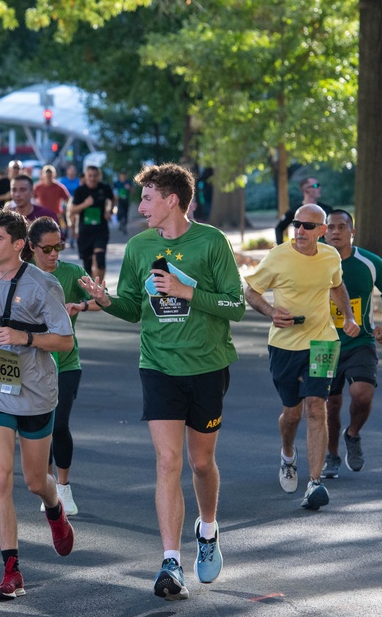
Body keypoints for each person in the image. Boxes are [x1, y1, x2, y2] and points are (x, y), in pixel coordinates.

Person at [77, 163, 245, 600]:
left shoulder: (211, 242)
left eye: (148, 198)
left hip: (207, 366)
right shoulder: (138, 246)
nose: (141, 206)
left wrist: (186, 291)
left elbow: (236, 305)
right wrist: (105, 300)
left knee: (200, 464)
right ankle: (171, 562)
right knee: (168, 462)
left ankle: (207, 529)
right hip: (158, 365)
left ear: (172, 200)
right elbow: (134, 307)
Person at [0, 210, 76, 601]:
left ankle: (54, 506)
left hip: (36, 390)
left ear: (18, 244)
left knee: (32, 480)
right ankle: (12, 570)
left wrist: (24, 337)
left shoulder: (44, 285)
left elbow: (64, 341)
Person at [244, 203, 359, 512]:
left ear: (322, 231)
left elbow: (337, 286)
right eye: (296, 224)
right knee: (292, 414)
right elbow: (251, 291)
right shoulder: (278, 256)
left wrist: (348, 316)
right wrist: (270, 312)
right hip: (284, 345)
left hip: (322, 342)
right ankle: (287, 454)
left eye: (308, 226)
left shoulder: (330, 257)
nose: (300, 231)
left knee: (316, 407)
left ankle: (314, 483)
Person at [28, 217, 97, 516]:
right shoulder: (22, 274)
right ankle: (47, 487)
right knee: (39, 428)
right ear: (31, 247)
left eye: (59, 246)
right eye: (47, 248)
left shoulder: (71, 273)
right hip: (31, 365)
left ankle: (64, 488)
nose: (54, 253)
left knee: (60, 424)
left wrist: (80, 305)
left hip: (67, 362)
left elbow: (99, 299)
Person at [322, 210, 382, 478]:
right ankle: (331, 454)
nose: (335, 232)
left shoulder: (368, 261)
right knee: (329, 404)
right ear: (324, 231)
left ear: (351, 232)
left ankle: (352, 434)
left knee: (362, 395)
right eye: (330, 227)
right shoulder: (314, 260)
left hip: (360, 340)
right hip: (323, 343)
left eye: (341, 227)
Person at [68, 165, 114, 281]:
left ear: (98, 176)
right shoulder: (80, 191)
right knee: (87, 266)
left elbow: (113, 199)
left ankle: (99, 289)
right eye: (90, 176)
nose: (92, 178)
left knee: (100, 260)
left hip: (101, 230)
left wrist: (110, 210)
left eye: (95, 176)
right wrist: (85, 204)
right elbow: (72, 210)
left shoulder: (104, 188)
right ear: (86, 176)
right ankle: (90, 291)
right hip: (85, 232)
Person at [274, 177, 333, 245]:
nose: (319, 188)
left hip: (324, 251)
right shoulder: (295, 211)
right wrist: (280, 248)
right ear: (305, 189)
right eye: (316, 185)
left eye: (319, 185)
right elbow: (279, 228)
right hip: (303, 251)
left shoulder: (327, 209)